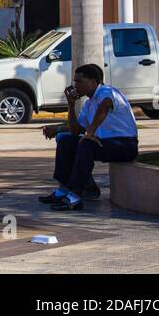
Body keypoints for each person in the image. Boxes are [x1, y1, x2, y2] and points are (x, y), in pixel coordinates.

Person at [39, 63, 139, 211]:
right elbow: (75, 131)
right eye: (74, 81)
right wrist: (71, 106)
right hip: (104, 143)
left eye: (79, 81)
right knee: (66, 140)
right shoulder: (88, 104)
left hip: (125, 145)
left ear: (93, 81)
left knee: (86, 144)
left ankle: (75, 196)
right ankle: (64, 189)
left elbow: (105, 106)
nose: (75, 85)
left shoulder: (107, 92)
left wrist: (90, 133)